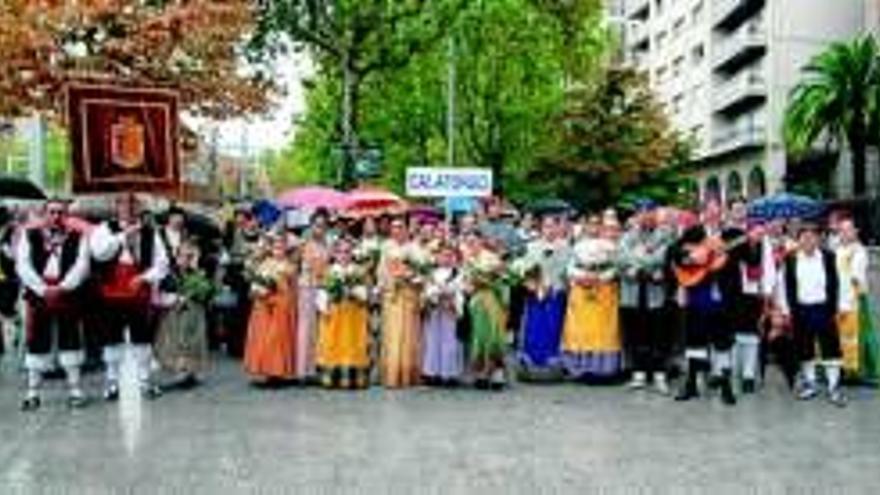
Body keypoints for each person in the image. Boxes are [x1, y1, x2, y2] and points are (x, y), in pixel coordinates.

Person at [90, 194, 169, 401]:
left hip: (138, 291)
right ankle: (112, 382)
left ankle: (144, 381)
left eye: (134, 202)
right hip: (111, 292)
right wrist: (123, 235)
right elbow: (99, 253)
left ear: (140, 206)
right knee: (111, 338)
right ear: (116, 205)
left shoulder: (151, 232)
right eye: (124, 202)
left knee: (142, 338)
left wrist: (144, 277)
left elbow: (162, 262)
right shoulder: (104, 229)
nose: (129, 206)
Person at [16, 198, 90, 410]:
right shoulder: (29, 236)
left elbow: (82, 265)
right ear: (44, 214)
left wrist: (63, 287)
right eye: (52, 212)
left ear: (66, 215)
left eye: (60, 213)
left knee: (71, 339)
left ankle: (75, 390)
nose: (56, 217)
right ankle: (32, 393)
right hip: (40, 293)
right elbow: (23, 264)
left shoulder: (78, 237)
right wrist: (42, 289)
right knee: (37, 341)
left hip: (67, 293)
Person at [672, 199, 738, 406]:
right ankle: (691, 383)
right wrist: (692, 259)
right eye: (709, 211)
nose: (713, 215)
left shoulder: (731, 235)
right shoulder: (694, 233)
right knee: (695, 339)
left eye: (717, 211)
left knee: (722, 341)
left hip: (722, 295)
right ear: (704, 213)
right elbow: (674, 254)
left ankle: (726, 386)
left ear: (722, 213)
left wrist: (734, 250)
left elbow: (748, 259)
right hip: (698, 291)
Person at [777, 223, 845, 406]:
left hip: (824, 308)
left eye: (812, 236)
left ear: (818, 239)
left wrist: (839, 307)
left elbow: (838, 283)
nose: (808, 240)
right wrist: (786, 310)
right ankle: (811, 384)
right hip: (801, 309)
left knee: (831, 347)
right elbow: (785, 287)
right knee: (805, 348)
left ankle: (834, 387)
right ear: (798, 240)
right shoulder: (791, 260)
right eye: (804, 236)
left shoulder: (828, 257)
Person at [617, 203, 674, 393]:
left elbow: (663, 257)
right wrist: (644, 259)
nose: (646, 217)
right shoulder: (627, 236)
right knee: (636, 333)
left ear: (655, 216)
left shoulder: (665, 235)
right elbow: (621, 259)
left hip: (655, 291)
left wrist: (638, 260)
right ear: (637, 216)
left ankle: (659, 374)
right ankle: (638, 373)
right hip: (632, 291)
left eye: (650, 213)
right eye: (642, 213)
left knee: (658, 333)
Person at [561, 215, 622, 380]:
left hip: (604, 290)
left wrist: (600, 277)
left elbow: (617, 267)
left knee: (602, 330)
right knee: (580, 330)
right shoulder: (577, 245)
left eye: (597, 224)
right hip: (581, 289)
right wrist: (580, 277)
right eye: (590, 224)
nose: (593, 227)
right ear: (586, 226)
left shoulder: (610, 246)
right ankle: (578, 367)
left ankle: (603, 369)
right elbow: (569, 266)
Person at [154, 239, 213, 390]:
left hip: (195, 314)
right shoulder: (169, 273)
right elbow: (160, 294)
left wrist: (201, 291)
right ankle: (178, 373)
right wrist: (177, 298)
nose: (186, 259)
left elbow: (206, 293)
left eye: (189, 256)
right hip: (175, 314)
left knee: (193, 342)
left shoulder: (197, 273)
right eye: (183, 256)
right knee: (177, 343)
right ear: (177, 256)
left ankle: (190, 373)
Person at [517, 216, 570, 379]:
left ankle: (553, 364)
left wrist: (555, 285)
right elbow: (524, 269)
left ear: (558, 228)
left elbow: (568, 271)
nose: (550, 230)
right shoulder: (531, 246)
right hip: (536, 295)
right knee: (534, 329)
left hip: (555, 293)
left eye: (553, 226)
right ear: (541, 228)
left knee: (553, 327)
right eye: (546, 226)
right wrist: (531, 284)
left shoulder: (566, 247)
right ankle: (531, 363)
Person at [315, 236, 371, 389]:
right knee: (332, 340)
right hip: (335, 312)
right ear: (335, 254)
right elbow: (322, 291)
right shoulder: (330, 271)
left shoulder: (358, 271)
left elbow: (366, 291)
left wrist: (356, 292)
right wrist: (323, 307)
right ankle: (331, 372)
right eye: (340, 252)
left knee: (353, 341)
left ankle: (355, 372)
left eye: (347, 252)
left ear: (351, 253)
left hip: (354, 313)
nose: (344, 255)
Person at [243, 234, 297, 384]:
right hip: (265, 305)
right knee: (264, 338)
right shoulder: (264, 264)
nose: (278, 250)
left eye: (281, 247)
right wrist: (258, 290)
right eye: (275, 247)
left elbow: (291, 287)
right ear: (271, 249)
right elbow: (256, 282)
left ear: (285, 249)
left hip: (281, 304)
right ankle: (265, 370)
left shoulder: (289, 266)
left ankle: (278, 371)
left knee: (277, 339)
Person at [729, 220, 776, 394]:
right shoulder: (738, 245)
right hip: (737, 295)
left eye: (761, 233)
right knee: (736, 336)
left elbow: (770, 269)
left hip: (756, 295)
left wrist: (767, 291)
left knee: (753, 336)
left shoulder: (766, 246)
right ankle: (735, 372)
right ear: (747, 232)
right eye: (755, 233)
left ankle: (749, 375)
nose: (758, 236)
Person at [378, 219, 424, 388]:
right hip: (391, 294)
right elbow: (381, 269)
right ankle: (390, 373)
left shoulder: (414, 247)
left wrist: (409, 276)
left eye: (400, 228)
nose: (396, 231)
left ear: (406, 230)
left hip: (408, 293)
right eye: (393, 228)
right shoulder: (386, 246)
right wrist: (384, 284)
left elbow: (422, 269)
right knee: (392, 332)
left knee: (408, 333)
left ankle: (407, 373)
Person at [465, 238, 509, 389]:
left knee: (494, 335)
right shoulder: (468, 260)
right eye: (470, 243)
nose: (473, 245)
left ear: (481, 243)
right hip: (477, 302)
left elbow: (503, 279)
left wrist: (491, 282)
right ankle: (481, 373)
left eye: (475, 242)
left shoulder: (491, 258)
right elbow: (467, 284)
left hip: (492, 301)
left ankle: (497, 373)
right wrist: (470, 286)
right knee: (479, 336)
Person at [833, 218, 873, 381]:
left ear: (855, 232)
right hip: (836, 299)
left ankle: (853, 370)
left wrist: (853, 296)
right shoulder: (837, 250)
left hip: (851, 300)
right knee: (838, 336)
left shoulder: (859, 251)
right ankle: (840, 367)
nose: (844, 233)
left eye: (848, 230)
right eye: (841, 230)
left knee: (852, 336)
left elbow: (857, 278)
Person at [421, 242, 465, 386]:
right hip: (435, 310)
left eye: (449, 256)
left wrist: (453, 300)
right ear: (438, 257)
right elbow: (426, 290)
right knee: (433, 340)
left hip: (450, 310)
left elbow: (461, 291)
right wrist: (433, 295)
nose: (446, 258)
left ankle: (450, 374)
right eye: (443, 255)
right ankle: (432, 373)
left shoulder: (458, 273)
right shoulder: (432, 273)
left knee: (450, 341)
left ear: (454, 257)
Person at [296, 212, 330, 382]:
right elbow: (305, 265)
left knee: (320, 329)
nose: (320, 228)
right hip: (308, 287)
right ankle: (303, 369)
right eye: (317, 225)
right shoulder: (305, 244)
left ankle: (317, 367)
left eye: (323, 225)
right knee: (306, 328)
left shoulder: (326, 245)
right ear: (311, 226)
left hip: (322, 289)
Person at [0, 206, 19, 362]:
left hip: (9, 278)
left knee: (7, 310)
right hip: (3, 277)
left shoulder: (13, 231)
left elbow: (15, 255)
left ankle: (12, 339)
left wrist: (5, 249)